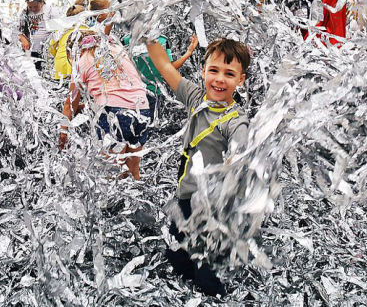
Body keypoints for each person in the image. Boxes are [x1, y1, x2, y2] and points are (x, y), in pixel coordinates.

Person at [147, 37, 250, 297]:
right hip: (185, 197)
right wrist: (145, 33)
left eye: (229, 74)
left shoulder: (235, 121)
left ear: (241, 80)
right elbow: (164, 66)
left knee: (207, 276)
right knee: (177, 258)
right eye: (213, 70)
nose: (219, 79)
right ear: (203, 71)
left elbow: (240, 150)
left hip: (212, 209)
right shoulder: (195, 98)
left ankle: (214, 294)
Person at [59, 32, 150, 180]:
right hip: (143, 110)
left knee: (110, 173)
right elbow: (119, 91)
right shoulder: (116, 50)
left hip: (115, 115)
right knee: (132, 171)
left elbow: (70, 103)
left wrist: (63, 132)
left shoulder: (83, 60)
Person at [122, 34, 199, 123]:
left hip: (151, 93)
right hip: (136, 93)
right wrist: (189, 52)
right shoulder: (127, 40)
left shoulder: (162, 40)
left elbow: (170, 68)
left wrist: (189, 52)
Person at [18, 0, 61, 70]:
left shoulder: (50, 9)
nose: (33, 9)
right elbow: (17, 30)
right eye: (30, 7)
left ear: (42, 1)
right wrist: (23, 39)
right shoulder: (24, 12)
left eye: (35, 6)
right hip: (31, 50)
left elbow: (58, 28)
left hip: (48, 50)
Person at [49, 3, 90, 80]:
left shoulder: (60, 30)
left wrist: (57, 57)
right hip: (76, 66)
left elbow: (51, 48)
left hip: (60, 65)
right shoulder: (87, 30)